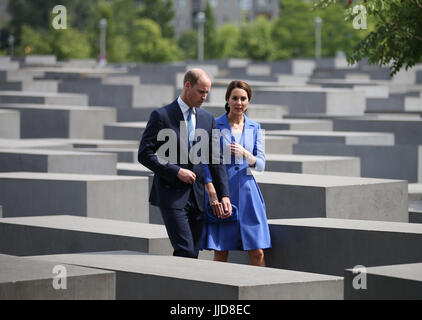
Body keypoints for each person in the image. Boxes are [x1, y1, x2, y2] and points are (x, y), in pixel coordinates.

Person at [138, 69, 232, 259]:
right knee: (185, 250)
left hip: (198, 197)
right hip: (171, 194)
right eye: (201, 91)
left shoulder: (207, 119)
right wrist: (175, 171)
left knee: (193, 254)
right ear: (187, 86)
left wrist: (224, 195)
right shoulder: (161, 115)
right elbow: (144, 154)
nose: (204, 97)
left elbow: (216, 160)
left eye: (207, 92)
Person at [201, 80, 271, 267]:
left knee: (257, 251)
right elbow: (205, 162)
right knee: (221, 251)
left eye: (243, 98)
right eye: (235, 98)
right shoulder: (214, 125)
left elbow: (261, 164)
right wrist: (211, 191)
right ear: (227, 99)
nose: (239, 103)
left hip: (249, 193)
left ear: (248, 101)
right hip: (224, 191)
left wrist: (246, 154)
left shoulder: (255, 127)